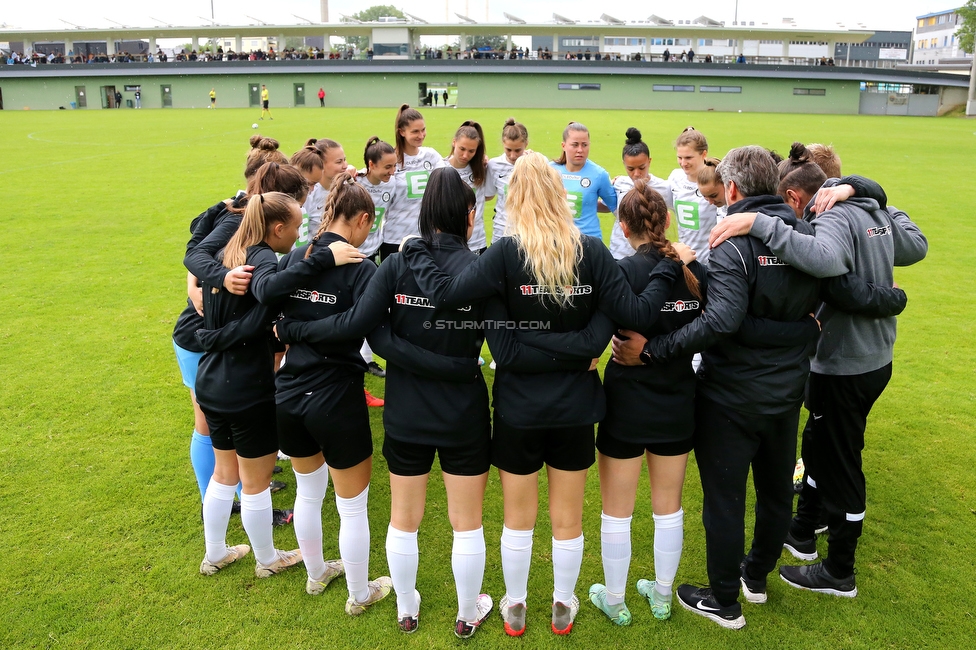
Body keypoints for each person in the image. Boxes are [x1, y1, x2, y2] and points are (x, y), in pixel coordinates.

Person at [400, 152, 696, 636]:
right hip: (575, 405)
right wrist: (584, 343)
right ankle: (561, 603)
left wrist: (414, 250)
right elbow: (625, 322)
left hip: (520, 408)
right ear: (562, 195)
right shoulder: (590, 254)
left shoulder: (504, 256)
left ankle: (517, 606)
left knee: (519, 519)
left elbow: (467, 312)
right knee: (567, 517)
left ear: (513, 198)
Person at [277, 168, 501, 637]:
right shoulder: (479, 267)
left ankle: (407, 607)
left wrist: (415, 360)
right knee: (467, 522)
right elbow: (490, 340)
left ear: (422, 214)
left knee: (405, 518)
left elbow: (374, 334)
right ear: (470, 213)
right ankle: (465, 612)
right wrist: (452, 365)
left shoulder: (397, 265)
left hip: (406, 408)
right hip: (462, 407)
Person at [709, 160, 928, 601]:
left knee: (840, 462)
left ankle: (839, 571)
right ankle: (804, 530)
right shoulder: (870, 212)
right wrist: (871, 192)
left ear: (799, 197)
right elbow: (913, 245)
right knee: (819, 446)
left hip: (843, 362)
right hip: (874, 357)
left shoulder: (829, 219)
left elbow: (830, 270)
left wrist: (760, 224)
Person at [626, 146, 823, 630]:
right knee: (776, 492)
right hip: (785, 392)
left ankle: (724, 599)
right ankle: (754, 578)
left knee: (726, 501)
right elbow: (832, 288)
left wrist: (655, 350)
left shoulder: (733, 242)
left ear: (732, 190)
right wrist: (802, 332)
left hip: (733, 395)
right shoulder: (805, 235)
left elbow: (723, 320)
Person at [237, 175, 395, 613]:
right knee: (352, 506)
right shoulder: (362, 267)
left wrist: (289, 329)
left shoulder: (298, 257)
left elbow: (268, 305)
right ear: (363, 220)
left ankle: (316, 574)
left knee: (309, 492)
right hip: (336, 397)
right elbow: (352, 328)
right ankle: (360, 594)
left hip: (287, 394)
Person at [587, 180, 708, 627]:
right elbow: (708, 328)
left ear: (622, 226)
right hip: (677, 399)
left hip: (626, 401)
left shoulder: (620, 271)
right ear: (667, 221)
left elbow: (596, 338)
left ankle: (616, 597)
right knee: (668, 505)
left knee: (617, 509)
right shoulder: (693, 269)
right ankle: (660, 595)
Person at [193, 191, 305, 579]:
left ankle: (216, 553)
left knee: (224, 473)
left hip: (211, 381)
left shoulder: (224, 254)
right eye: (296, 226)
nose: (298, 232)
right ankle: (268, 559)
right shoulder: (263, 263)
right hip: (247, 387)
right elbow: (261, 316)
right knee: (255, 482)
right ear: (277, 228)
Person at [381, 104, 446, 261]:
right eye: (415, 131)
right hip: (395, 238)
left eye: (423, 130)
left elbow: (448, 180)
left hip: (426, 237)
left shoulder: (431, 156)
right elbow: (371, 176)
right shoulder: (391, 159)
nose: (421, 135)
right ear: (402, 132)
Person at [606, 127, 673, 260]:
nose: (636, 174)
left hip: (650, 256)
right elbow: (609, 206)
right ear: (624, 164)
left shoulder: (664, 188)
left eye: (642, 167)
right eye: (630, 169)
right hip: (619, 254)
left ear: (649, 161)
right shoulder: (619, 183)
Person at [550, 122, 617, 241]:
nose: (580, 150)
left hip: (589, 243)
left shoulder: (599, 175)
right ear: (564, 145)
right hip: (557, 241)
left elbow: (615, 207)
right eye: (575, 145)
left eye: (584, 145)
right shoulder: (549, 170)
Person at [669, 127, 721, 266]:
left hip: (711, 263)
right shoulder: (675, 177)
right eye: (680, 158)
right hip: (685, 261)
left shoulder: (715, 180)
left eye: (688, 158)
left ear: (704, 154)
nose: (683, 163)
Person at [445, 121, 489, 253]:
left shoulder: (482, 168)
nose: (465, 155)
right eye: (462, 149)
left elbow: (489, 195)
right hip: (449, 243)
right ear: (454, 142)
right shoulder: (440, 168)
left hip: (477, 241)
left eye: (471, 151)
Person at [485, 118, 528, 244]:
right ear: (503, 143)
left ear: (526, 144)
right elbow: (488, 195)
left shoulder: (535, 165)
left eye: (518, 150)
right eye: (508, 150)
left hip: (527, 232)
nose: (513, 155)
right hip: (501, 231)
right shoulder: (494, 165)